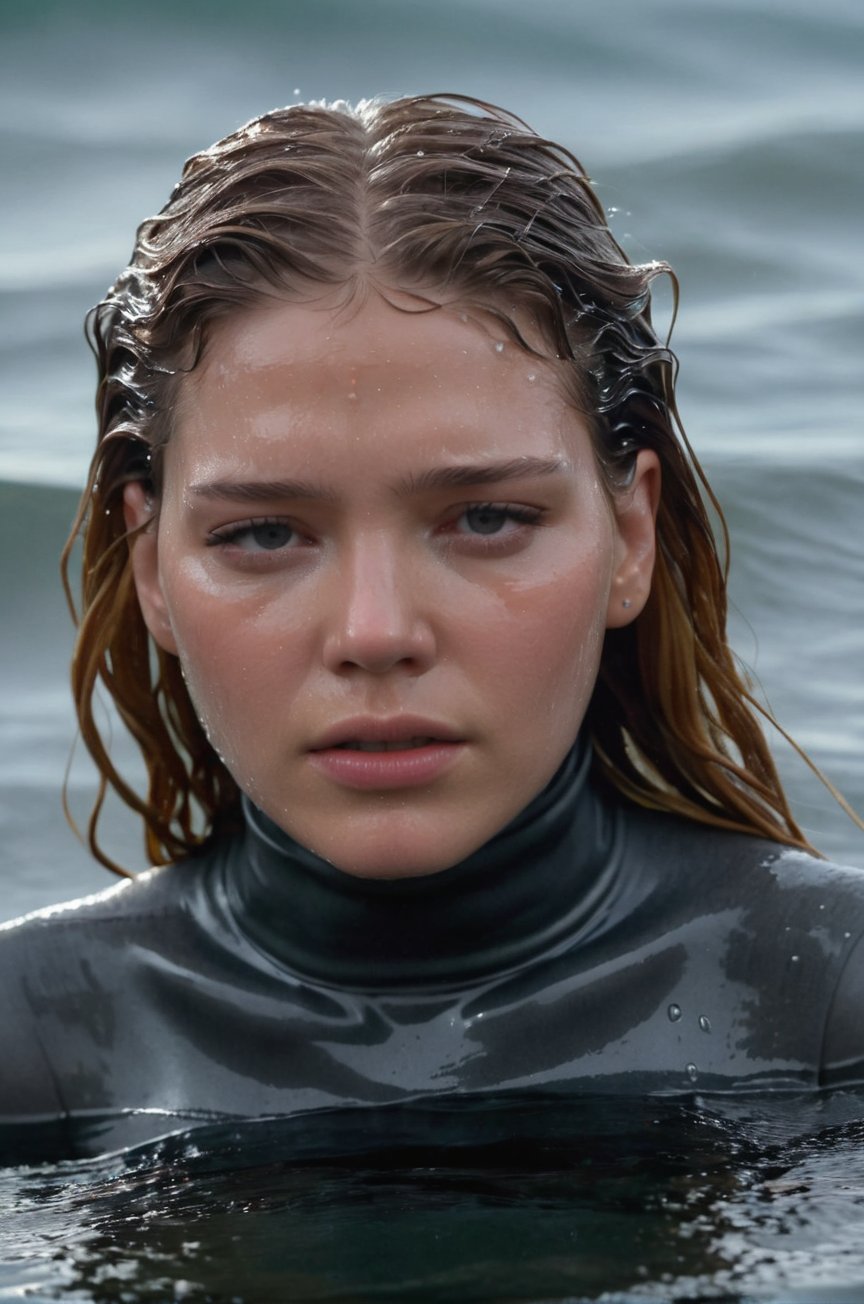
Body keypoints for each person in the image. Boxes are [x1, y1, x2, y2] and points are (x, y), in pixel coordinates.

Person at [1, 94, 862, 1162]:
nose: (376, 630)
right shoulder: (31, 1045)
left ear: (629, 536)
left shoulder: (832, 997)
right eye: (264, 532)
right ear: (153, 573)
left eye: (488, 518)